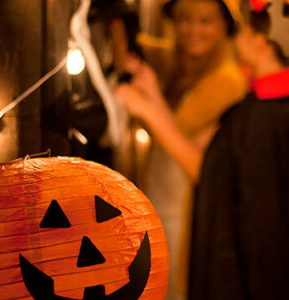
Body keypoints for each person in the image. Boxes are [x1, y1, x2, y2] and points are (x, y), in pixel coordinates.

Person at [116, 6, 289, 300]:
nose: (236, 36)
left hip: (229, 251)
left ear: (262, 42)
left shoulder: (263, 116)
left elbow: (210, 172)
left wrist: (147, 108)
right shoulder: (256, 105)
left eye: (242, 29)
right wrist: (154, 96)